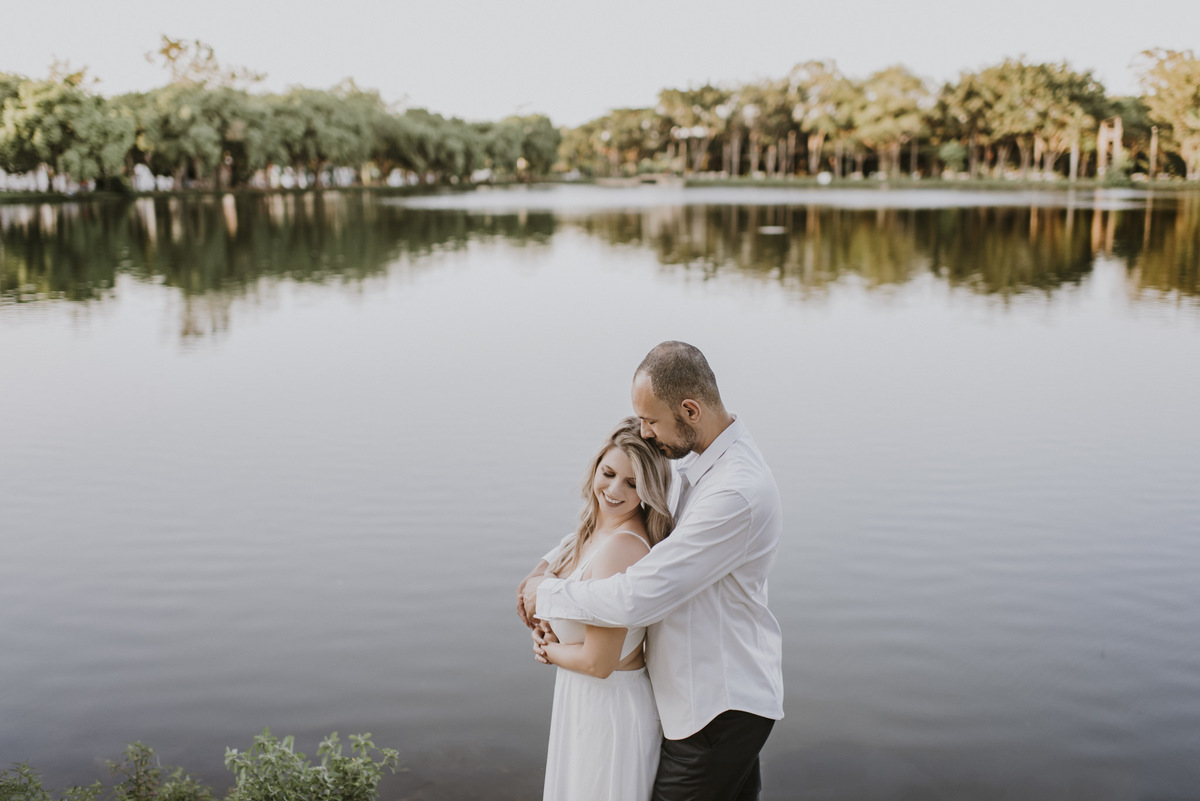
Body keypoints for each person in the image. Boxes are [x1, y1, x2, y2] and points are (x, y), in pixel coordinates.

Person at [519, 341, 784, 801]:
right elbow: (624, 517)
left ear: (689, 410)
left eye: (651, 420)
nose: (644, 432)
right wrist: (546, 563)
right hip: (695, 701)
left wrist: (546, 594)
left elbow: (637, 596)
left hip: (714, 707)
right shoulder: (694, 461)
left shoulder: (735, 494)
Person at [522, 416, 675, 801]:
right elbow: (538, 588)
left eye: (632, 483)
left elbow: (599, 661)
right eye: (608, 473)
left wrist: (547, 650)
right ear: (596, 468)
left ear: (649, 490)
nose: (613, 489)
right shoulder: (592, 531)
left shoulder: (623, 548)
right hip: (583, 701)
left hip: (610, 711)